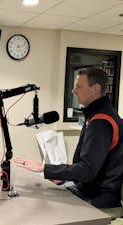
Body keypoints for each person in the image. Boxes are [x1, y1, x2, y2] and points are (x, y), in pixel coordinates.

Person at [14, 67, 123, 210]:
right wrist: (61, 175)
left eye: (78, 86)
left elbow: (87, 171)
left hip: (98, 197)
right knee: (43, 191)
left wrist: (44, 168)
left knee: (42, 206)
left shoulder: (101, 121)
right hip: (88, 188)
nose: (73, 91)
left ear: (95, 88)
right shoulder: (97, 115)